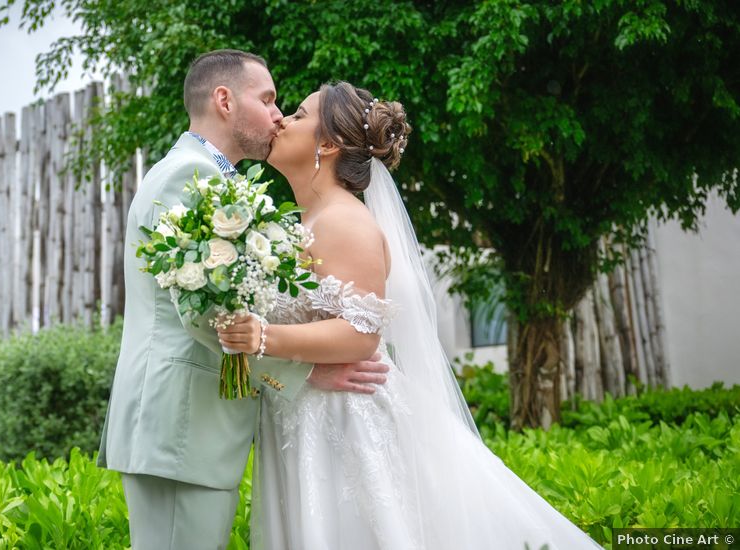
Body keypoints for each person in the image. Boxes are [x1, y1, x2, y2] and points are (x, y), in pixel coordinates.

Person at [218, 82, 602, 549]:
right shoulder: (308, 223)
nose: (282, 120)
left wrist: (262, 337)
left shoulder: (344, 221)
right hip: (308, 418)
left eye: (298, 114)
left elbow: (360, 336)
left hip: (348, 423)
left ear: (327, 143)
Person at [96, 52, 388, 550]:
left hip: (198, 434)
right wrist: (304, 372)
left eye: (288, 109)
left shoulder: (218, 180)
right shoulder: (187, 177)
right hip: (180, 428)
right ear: (224, 101)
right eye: (270, 99)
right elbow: (202, 314)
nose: (278, 115)